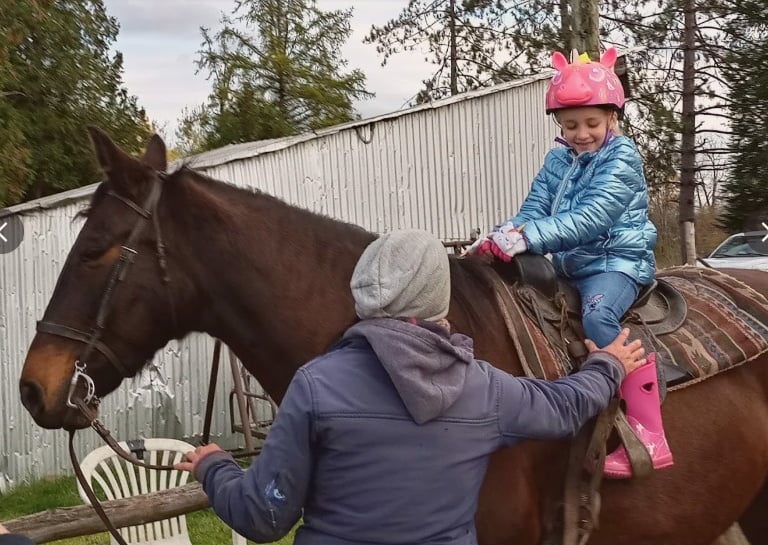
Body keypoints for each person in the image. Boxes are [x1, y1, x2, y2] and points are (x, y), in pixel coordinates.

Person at [176, 229, 645, 545]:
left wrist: (214, 466)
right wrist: (607, 365)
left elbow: (263, 515)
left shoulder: (317, 386)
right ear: (439, 297)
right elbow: (563, 406)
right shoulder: (482, 388)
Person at [466, 47, 671, 478]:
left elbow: (593, 217)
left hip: (615, 261)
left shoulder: (623, 158)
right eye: (570, 124)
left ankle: (650, 433)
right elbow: (535, 208)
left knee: (598, 319)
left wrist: (527, 239)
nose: (581, 133)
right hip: (570, 263)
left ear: (613, 117)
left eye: (591, 123)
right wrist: (500, 237)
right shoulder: (559, 158)